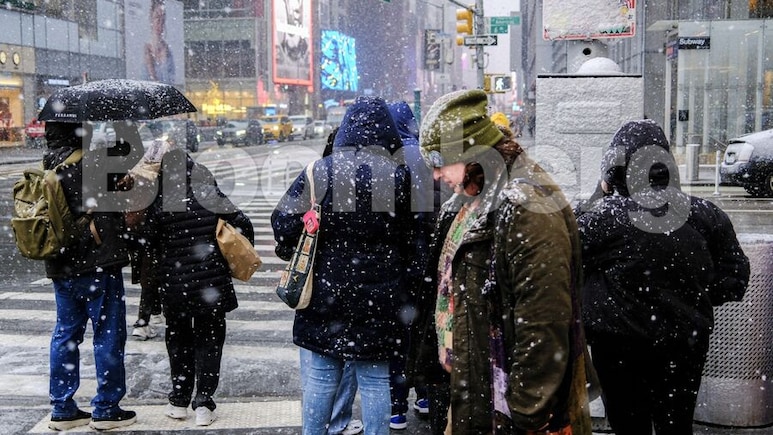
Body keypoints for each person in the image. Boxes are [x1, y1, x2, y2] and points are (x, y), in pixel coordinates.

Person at [412, 89, 592, 434]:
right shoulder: (476, 197)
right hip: (477, 387)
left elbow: (544, 320)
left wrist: (526, 411)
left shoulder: (525, 206)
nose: (436, 175)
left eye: (439, 162)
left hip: (504, 408)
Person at [575, 119, 750, 434]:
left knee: (629, 423)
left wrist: (602, 191)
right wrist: (692, 295)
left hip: (618, 346)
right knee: (676, 423)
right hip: (684, 344)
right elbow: (736, 278)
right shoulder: (704, 214)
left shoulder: (604, 218)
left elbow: (565, 259)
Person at [271, 96, 428, 435]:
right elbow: (417, 238)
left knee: (321, 376)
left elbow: (282, 223)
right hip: (382, 296)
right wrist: (408, 285)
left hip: (326, 294)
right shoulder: (400, 176)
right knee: (374, 379)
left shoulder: (320, 171)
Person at [142, 147, 254, 426]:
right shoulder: (208, 191)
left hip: (175, 284)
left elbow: (147, 240)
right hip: (211, 282)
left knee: (178, 340)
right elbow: (242, 223)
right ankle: (204, 402)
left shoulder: (159, 197)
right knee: (210, 341)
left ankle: (179, 400)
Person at [43, 122, 137, 431]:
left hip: (61, 264)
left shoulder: (49, 164)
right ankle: (107, 407)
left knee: (65, 334)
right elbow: (127, 151)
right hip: (97, 262)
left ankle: (62, 407)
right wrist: (122, 122)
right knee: (108, 333)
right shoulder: (92, 163)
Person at [386, 101, 432, 430]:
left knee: (398, 335)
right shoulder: (430, 156)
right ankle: (427, 394)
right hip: (429, 257)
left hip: (398, 262)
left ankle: (397, 406)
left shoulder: (388, 159)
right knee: (427, 328)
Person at [128, 121, 169, 341]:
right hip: (155, 225)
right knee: (152, 275)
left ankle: (153, 313)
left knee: (149, 274)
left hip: (141, 227)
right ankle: (144, 321)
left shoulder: (135, 152)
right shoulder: (158, 150)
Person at [144, 0, 175, 83]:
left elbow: (170, 82)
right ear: (151, 19)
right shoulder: (146, 50)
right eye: (157, 17)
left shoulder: (167, 52)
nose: (160, 22)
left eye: (163, 19)